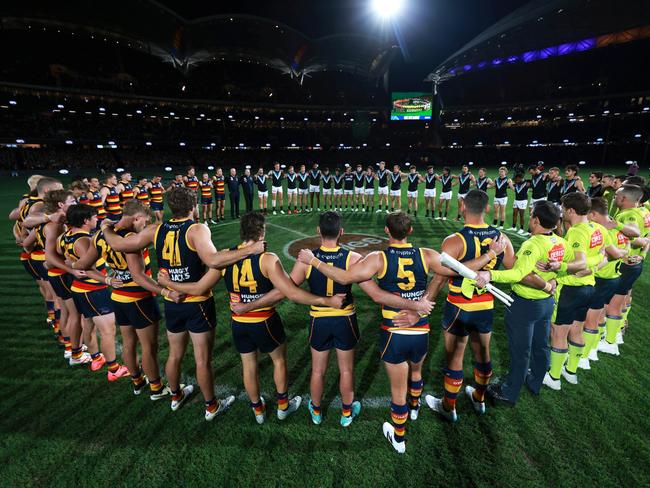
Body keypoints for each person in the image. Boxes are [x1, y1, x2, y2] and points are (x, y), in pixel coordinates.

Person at [299, 213, 476, 453]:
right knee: (416, 372)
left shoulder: (377, 258)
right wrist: (422, 302)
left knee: (396, 391)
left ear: (386, 231)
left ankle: (399, 438)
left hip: (393, 331)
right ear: (410, 230)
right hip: (420, 328)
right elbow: (453, 271)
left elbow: (346, 278)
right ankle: (415, 408)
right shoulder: (427, 255)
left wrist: (315, 262)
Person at [158, 212, 346, 424]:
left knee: (249, 366)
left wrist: (170, 285)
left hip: (239, 323)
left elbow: (199, 287)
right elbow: (291, 293)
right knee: (279, 361)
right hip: (265, 321)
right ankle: (283, 406)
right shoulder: (268, 259)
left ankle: (257, 410)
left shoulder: (225, 257)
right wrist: (325, 301)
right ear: (262, 232)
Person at [101, 187, 265, 420]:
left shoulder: (156, 229)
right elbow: (212, 260)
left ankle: (176, 395)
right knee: (202, 359)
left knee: (175, 354)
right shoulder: (197, 229)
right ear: (193, 206)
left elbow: (120, 245)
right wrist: (251, 249)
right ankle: (211, 406)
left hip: (172, 300)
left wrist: (106, 227)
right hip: (197, 302)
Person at [74, 200, 182, 396]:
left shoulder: (100, 235)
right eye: (144, 222)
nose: (144, 227)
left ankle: (137, 381)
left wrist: (74, 265)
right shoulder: (131, 237)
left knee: (128, 342)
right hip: (139, 298)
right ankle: (156, 388)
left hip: (118, 297)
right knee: (149, 347)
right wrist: (165, 292)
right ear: (137, 218)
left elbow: (84, 265)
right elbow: (138, 277)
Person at [425, 190, 515, 422]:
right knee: (483, 355)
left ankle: (448, 406)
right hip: (485, 306)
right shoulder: (501, 238)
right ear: (487, 208)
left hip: (458, 307)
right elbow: (514, 269)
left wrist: (424, 303)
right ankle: (479, 398)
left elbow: (441, 276)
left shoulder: (454, 240)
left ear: (462, 205)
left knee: (455, 357)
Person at [476, 201, 565, 405]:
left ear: (535, 220)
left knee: (521, 350)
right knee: (541, 345)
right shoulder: (560, 241)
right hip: (546, 302)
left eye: (531, 214)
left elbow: (518, 274)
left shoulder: (532, 244)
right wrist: (554, 281)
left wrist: (490, 274)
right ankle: (535, 382)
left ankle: (509, 392)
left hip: (525, 304)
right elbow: (570, 264)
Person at [541, 192, 606, 390]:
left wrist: (558, 266)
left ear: (570, 210)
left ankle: (553, 377)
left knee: (558, 332)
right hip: (589, 287)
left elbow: (579, 263)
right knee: (577, 330)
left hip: (571, 289)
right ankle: (570, 371)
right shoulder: (597, 228)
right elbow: (602, 257)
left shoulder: (577, 231)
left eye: (562, 208)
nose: (560, 211)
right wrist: (594, 266)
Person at [60, 204, 130, 379]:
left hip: (78, 288)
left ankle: (96, 359)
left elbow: (59, 258)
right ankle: (114, 370)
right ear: (85, 220)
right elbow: (87, 269)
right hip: (93, 290)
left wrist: (69, 265)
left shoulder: (65, 236)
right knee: (108, 331)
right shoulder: (84, 240)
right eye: (94, 217)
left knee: (89, 325)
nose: (96, 220)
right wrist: (107, 280)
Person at [581, 197, 633, 368]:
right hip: (613, 277)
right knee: (599, 314)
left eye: (588, 215)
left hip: (601, 277)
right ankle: (593, 349)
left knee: (589, 318)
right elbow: (631, 242)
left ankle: (584, 357)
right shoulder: (618, 227)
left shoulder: (604, 231)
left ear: (594, 215)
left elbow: (614, 253)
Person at [599, 184, 648, 356]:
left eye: (617, 196)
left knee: (613, 304)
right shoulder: (644, 212)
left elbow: (634, 235)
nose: (614, 198)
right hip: (635, 262)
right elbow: (646, 238)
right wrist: (643, 254)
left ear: (624, 199)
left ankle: (610, 341)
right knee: (623, 299)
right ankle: (616, 334)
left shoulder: (628, 215)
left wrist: (615, 225)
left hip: (626, 263)